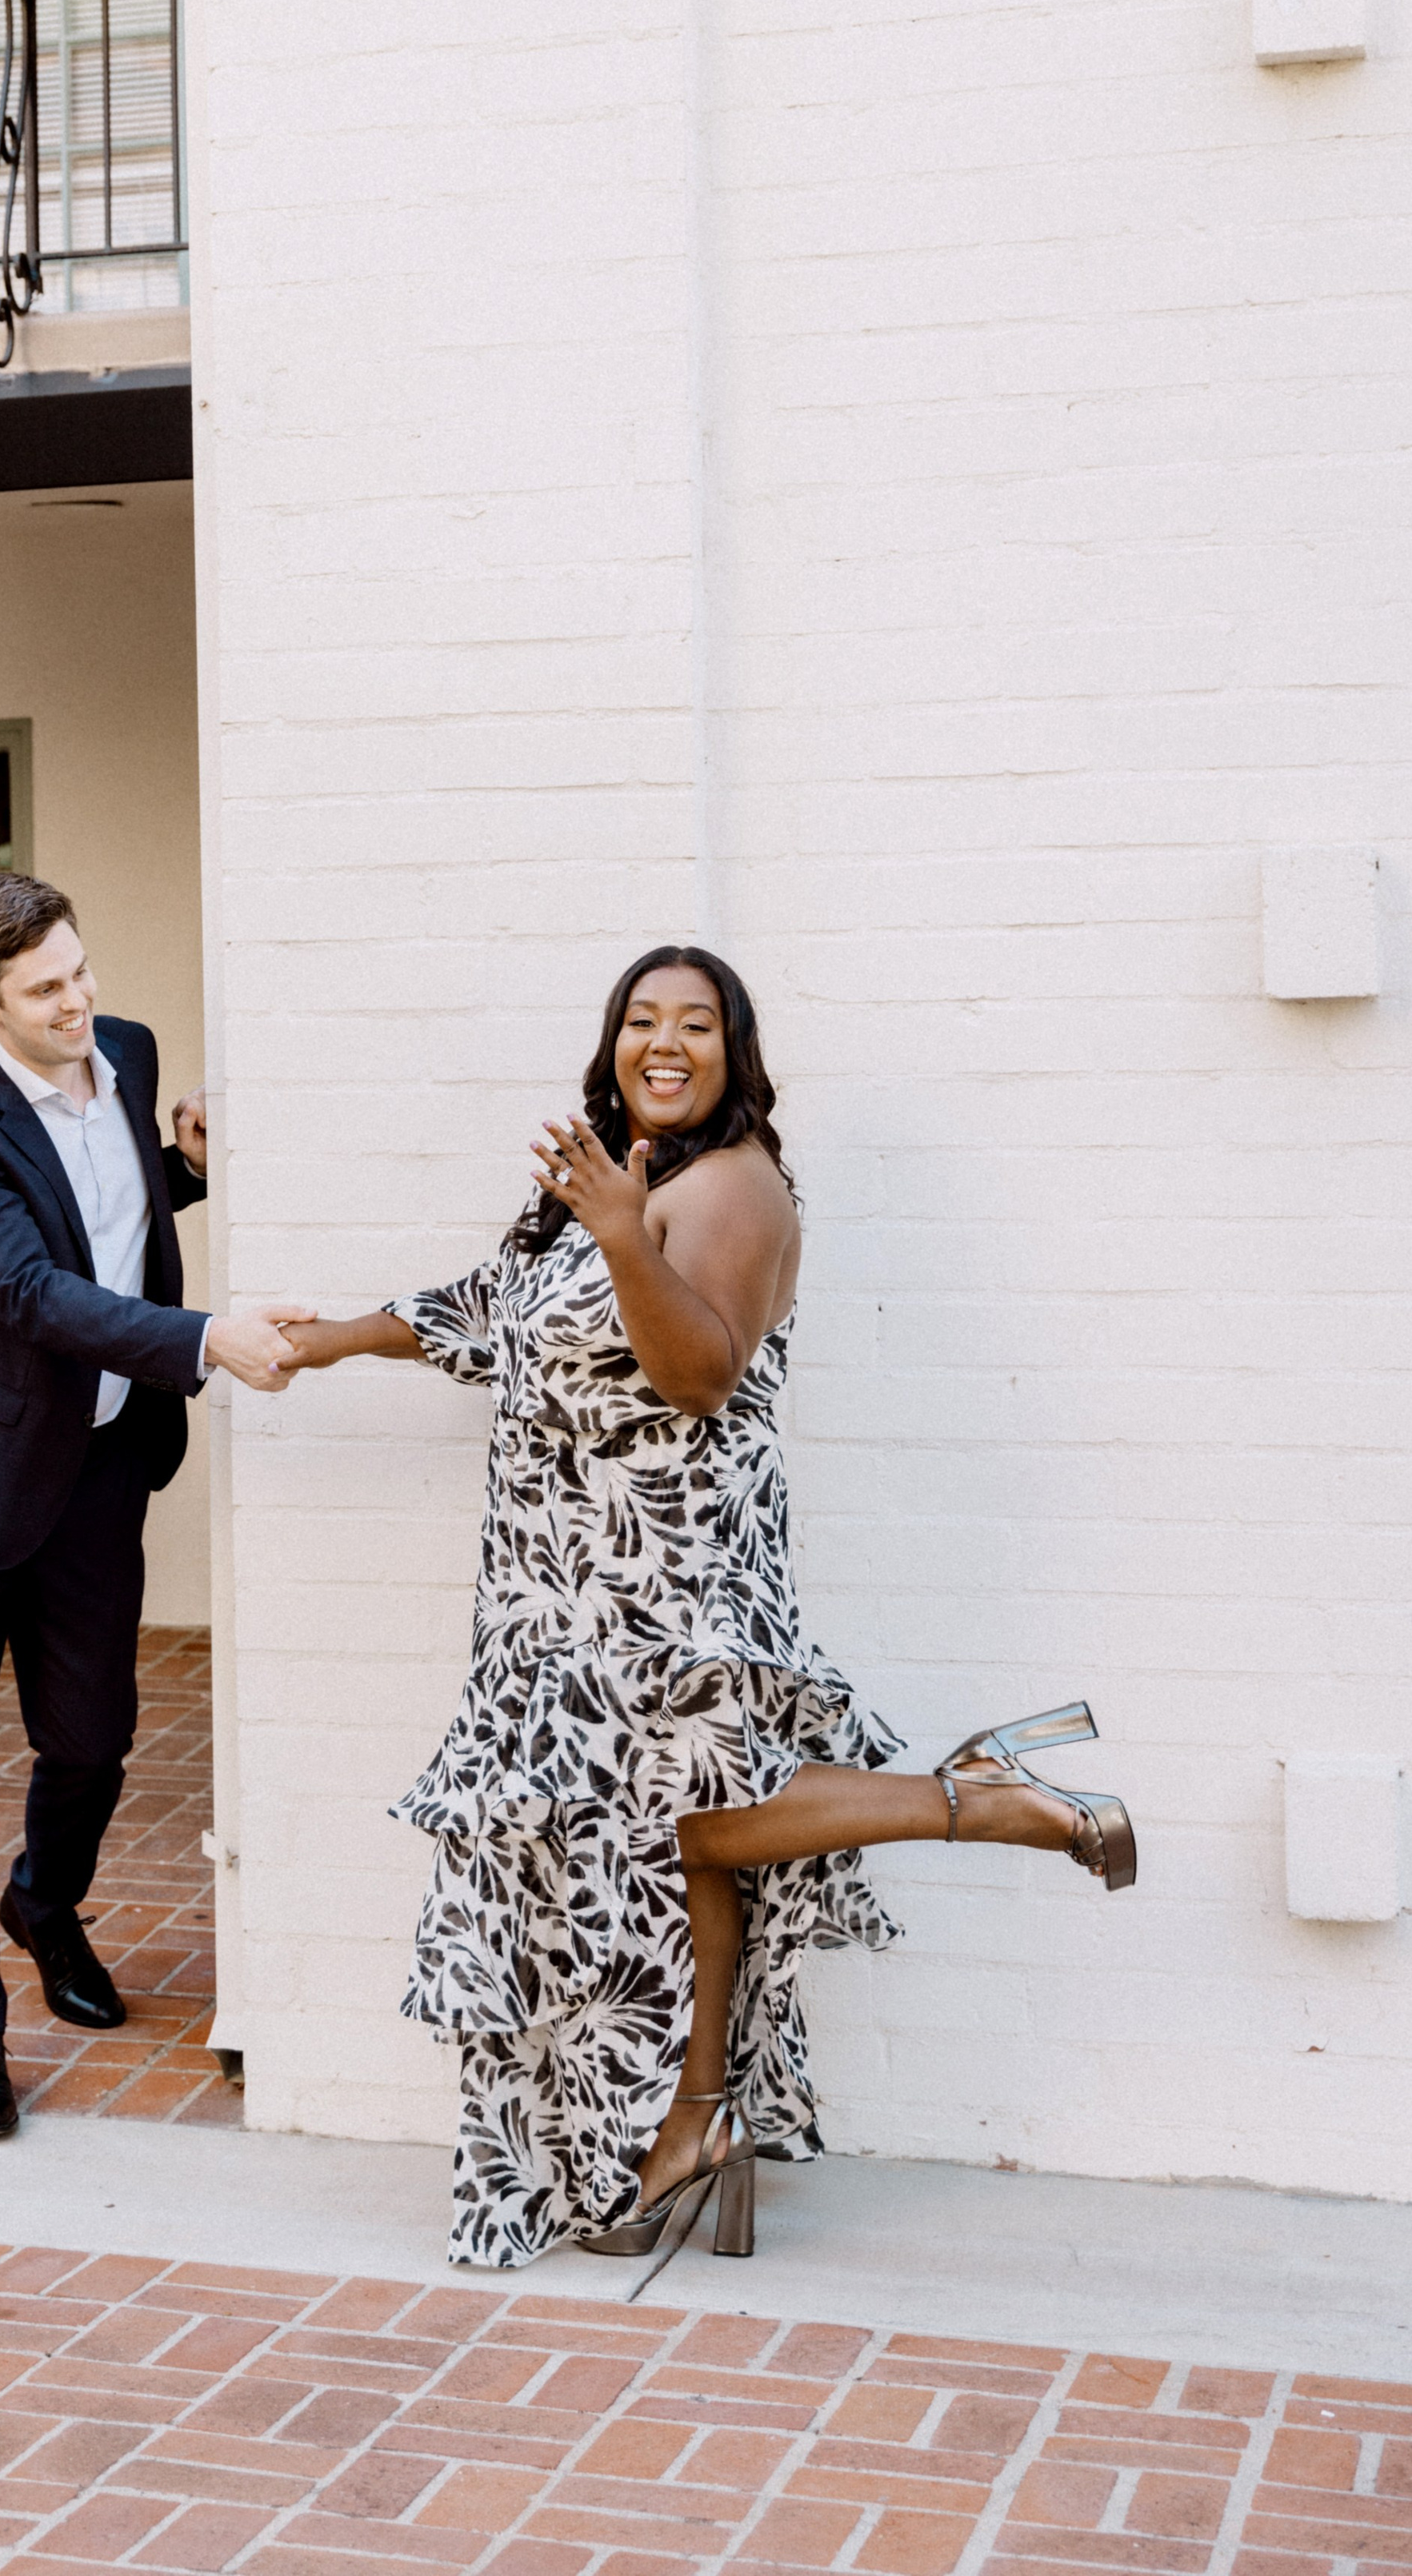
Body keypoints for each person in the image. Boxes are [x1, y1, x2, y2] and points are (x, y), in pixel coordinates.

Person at [274, 945, 1135, 2271]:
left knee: (702, 1821)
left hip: (666, 1572)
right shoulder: (619, 1175)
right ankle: (692, 2123)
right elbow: (492, 1310)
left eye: (695, 1024)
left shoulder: (730, 1187)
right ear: (611, 1039)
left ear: (736, 1053)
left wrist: (622, 1231)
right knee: (678, 1852)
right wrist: (324, 1337)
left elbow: (699, 1373)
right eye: (639, 1019)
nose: (662, 1043)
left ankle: (980, 1801)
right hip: (557, 1585)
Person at [0, 870, 303, 2144]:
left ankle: (45, 1906)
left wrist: (186, 1166)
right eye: (45, 990)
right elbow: (35, 1293)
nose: (78, 1003)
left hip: (97, 1468)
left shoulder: (127, 1050)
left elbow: (113, 1212)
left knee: (95, 1737)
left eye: (81, 970)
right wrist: (209, 1337)